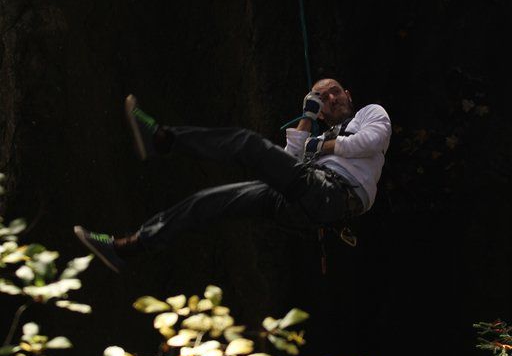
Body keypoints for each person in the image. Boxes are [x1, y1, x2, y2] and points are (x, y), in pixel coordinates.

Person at [74, 75, 391, 273]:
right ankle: (127, 247)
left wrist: (319, 145)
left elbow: (368, 142)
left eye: (335, 92)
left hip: (332, 195)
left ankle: (162, 139)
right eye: (323, 99)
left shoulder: (370, 114)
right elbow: (287, 162)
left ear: (348, 94)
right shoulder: (317, 137)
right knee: (209, 201)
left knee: (246, 143)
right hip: (301, 198)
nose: (331, 99)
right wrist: (308, 117)